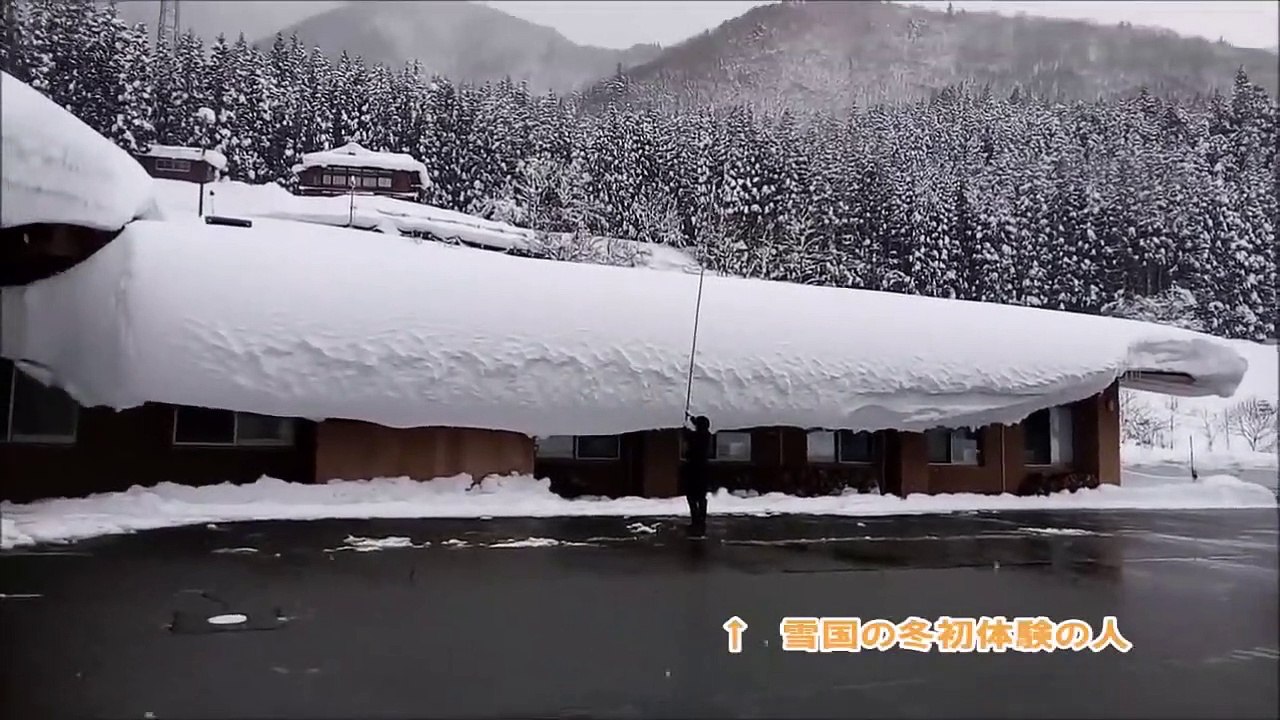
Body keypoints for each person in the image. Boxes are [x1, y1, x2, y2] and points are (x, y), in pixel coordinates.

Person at [681, 414, 712, 535]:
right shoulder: (706, 435)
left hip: (695, 470)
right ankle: (700, 520)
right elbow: (693, 433)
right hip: (703, 470)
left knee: (692, 497)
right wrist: (692, 419)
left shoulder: (699, 436)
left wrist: (685, 430)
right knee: (700, 497)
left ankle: (696, 520)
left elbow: (690, 437)